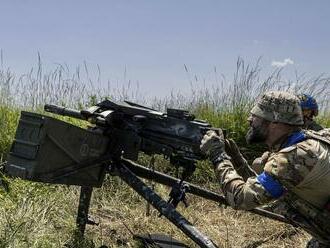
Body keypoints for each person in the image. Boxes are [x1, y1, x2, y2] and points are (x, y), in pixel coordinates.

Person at [200, 91, 330, 247]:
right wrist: (237, 159)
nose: (249, 120)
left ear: (275, 121)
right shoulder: (312, 140)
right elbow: (260, 186)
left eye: (256, 115)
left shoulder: (293, 159)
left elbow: (240, 198)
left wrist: (218, 155)